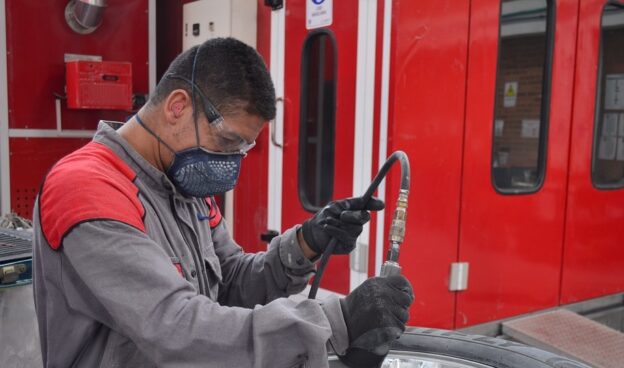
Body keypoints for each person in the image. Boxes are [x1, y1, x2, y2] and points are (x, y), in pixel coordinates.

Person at [32, 37, 413, 368]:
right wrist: (336, 320)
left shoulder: (183, 184)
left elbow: (230, 281)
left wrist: (308, 242)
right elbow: (176, 328)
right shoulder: (89, 189)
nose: (231, 164)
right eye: (228, 142)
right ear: (177, 107)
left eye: (243, 149)